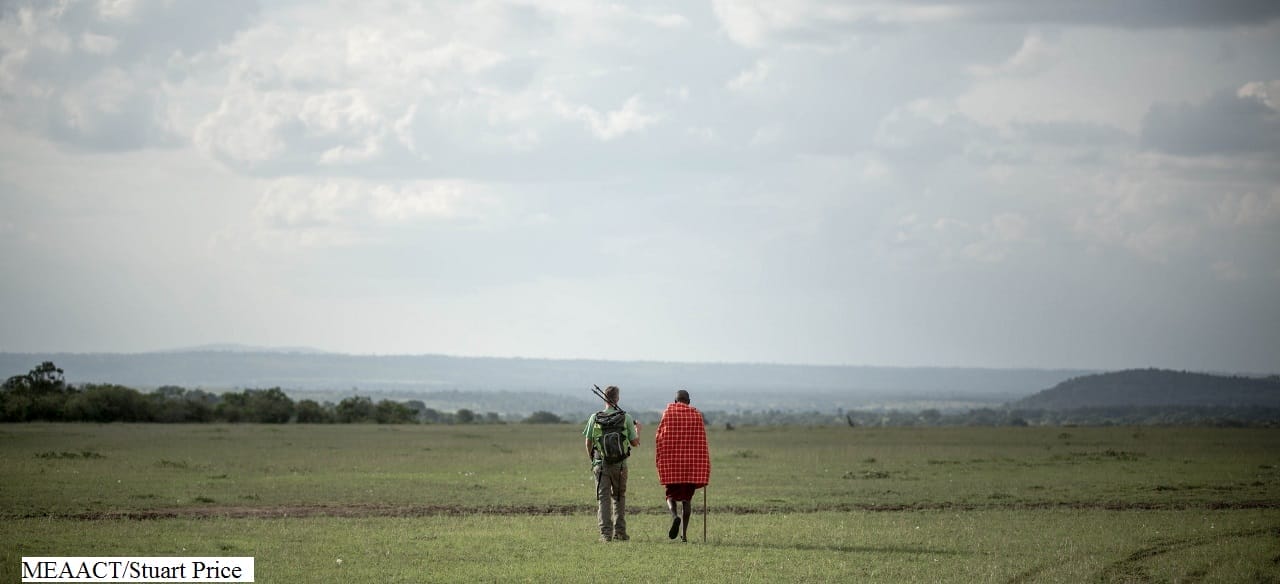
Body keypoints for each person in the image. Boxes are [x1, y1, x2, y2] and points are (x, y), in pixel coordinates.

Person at [583, 385, 640, 542]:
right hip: (621, 465)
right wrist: (638, 429)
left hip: (600, 464)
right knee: (619, 497)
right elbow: (635, 443)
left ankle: (605, 534)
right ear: (618, 399)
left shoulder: (594, 417)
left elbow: (588, 442)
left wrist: (593, 459)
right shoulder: (626, 417)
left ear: (604, 398)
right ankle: (620, 532)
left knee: (603, 498)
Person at [654, 389, 710, 542]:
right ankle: (684, 535)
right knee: (686, 500)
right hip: (690, 466)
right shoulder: (696, 415)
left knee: (670, 496)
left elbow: (660, 437)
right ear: (689, 401)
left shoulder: (668, 414)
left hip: (673, 465)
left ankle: (674, 516)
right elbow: (701, 443)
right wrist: (703, 464)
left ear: (675, 400)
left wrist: (662, 458)